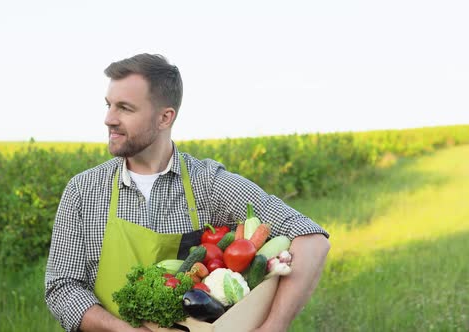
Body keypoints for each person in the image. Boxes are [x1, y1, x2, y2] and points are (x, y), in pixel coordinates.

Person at [45, 53, 330, 332]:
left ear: (165, 117)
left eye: (125, 108)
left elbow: (313, 241)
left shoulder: (207, 184)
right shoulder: (84, 191)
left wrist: (273, 326)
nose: (109, 118)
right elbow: (62, 287)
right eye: (108, 105)